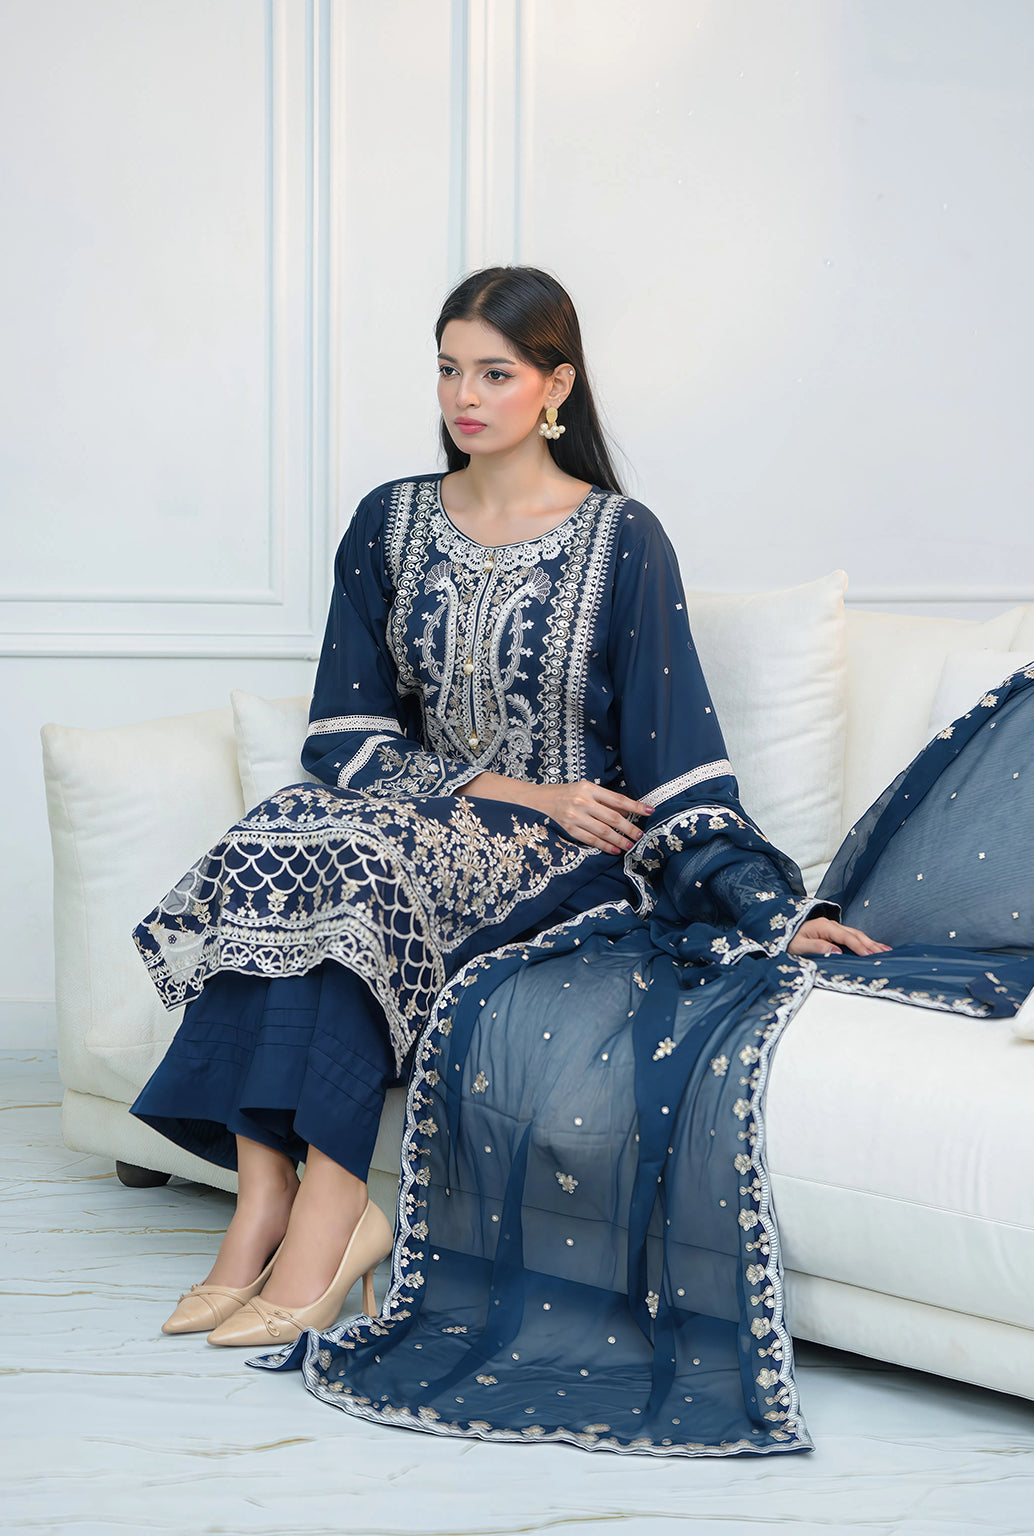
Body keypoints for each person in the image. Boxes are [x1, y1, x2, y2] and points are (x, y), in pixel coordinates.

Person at [131, 266, 1031, 1457]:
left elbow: (672, 761)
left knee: (352, 861)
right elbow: (342, 737)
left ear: (554, 386)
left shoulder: (620, 540)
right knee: (286, 831)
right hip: (432, 814)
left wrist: (762, 908)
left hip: (563, 856)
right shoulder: (388, 522)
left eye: (494, 373)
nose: (464, 395)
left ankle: (333, 1209)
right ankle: (259, 1205)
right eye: (447, 370)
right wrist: (505, 787)